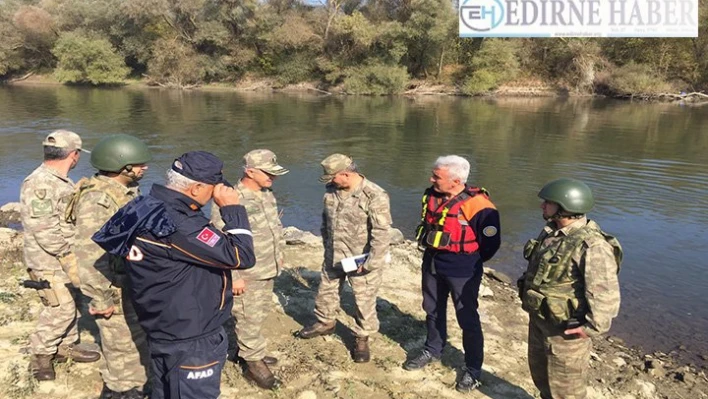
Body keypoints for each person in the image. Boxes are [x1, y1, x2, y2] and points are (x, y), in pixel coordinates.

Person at [91, 151, 256, 399]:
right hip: (191, 335)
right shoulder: (181, 224)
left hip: (160, 324)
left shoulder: (143, 205)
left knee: (165, 390)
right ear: (196, 187)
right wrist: (233, 209)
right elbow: (242, 256)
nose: (217, 192)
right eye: (214, 186)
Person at [403, 155, 500, 393]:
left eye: (437, 176)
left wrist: (469, 260)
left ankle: (473, 369)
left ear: (456, 180)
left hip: (463, 267)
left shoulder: (480, 206)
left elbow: (491, 243)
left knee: (467, 317)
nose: (431, 179)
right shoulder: (432, 195)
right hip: (433, 261)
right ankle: (433, 349)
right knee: (432, 308)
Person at [518, 178, 622, 399]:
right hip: (541, 320)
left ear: (565, 208)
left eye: (548, 202)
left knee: (566, 391)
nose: (542, 206)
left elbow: (605, 295)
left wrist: (591, 328)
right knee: (541, 379)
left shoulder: (592, 246)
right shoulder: (551, 233)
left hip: (566, 332)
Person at [67, 134, 152, 399]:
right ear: (122, 166)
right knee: (120, 343)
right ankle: (122, 390)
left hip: (128, 278)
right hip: (112, 284)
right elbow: (90, 253)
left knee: (132, 338)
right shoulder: (99, 200)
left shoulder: (123, 191)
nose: (145, 168)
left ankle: (132, 384)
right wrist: (101, 297)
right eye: (139, 164)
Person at [19, 130, 100, 381]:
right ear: (74, 155)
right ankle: (41, 354)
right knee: (59, 308)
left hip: (62, 256)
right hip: (48, 260)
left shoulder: (59, 180)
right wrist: (67, 255)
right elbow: (43, 228)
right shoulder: (41, 183)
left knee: (72, 303)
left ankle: (66, 346)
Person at [297, 154, 392, 363]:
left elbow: (381, 233)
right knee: (326, 291)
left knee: (363, 300)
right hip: (334, 254)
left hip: (361, 260)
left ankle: (361, 337)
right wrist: (326, 245)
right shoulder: (331, 191)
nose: (330, 182)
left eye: (333, 178)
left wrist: (371, 263)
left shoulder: (374, 195)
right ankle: (325, 323)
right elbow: (326, 221)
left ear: (346, 174)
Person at [209, 149, 288, 390]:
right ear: (250, 171)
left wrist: (280, 255)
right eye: (267, 173)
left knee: (259, 313)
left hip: (267, 266)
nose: (272, 178)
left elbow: (275, 227)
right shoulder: (230, 199)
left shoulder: (267, 193)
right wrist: (234, 276)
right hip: (247, 272)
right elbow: (220, 241)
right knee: (247, 317)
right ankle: (253, 364)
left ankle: (247, 352)